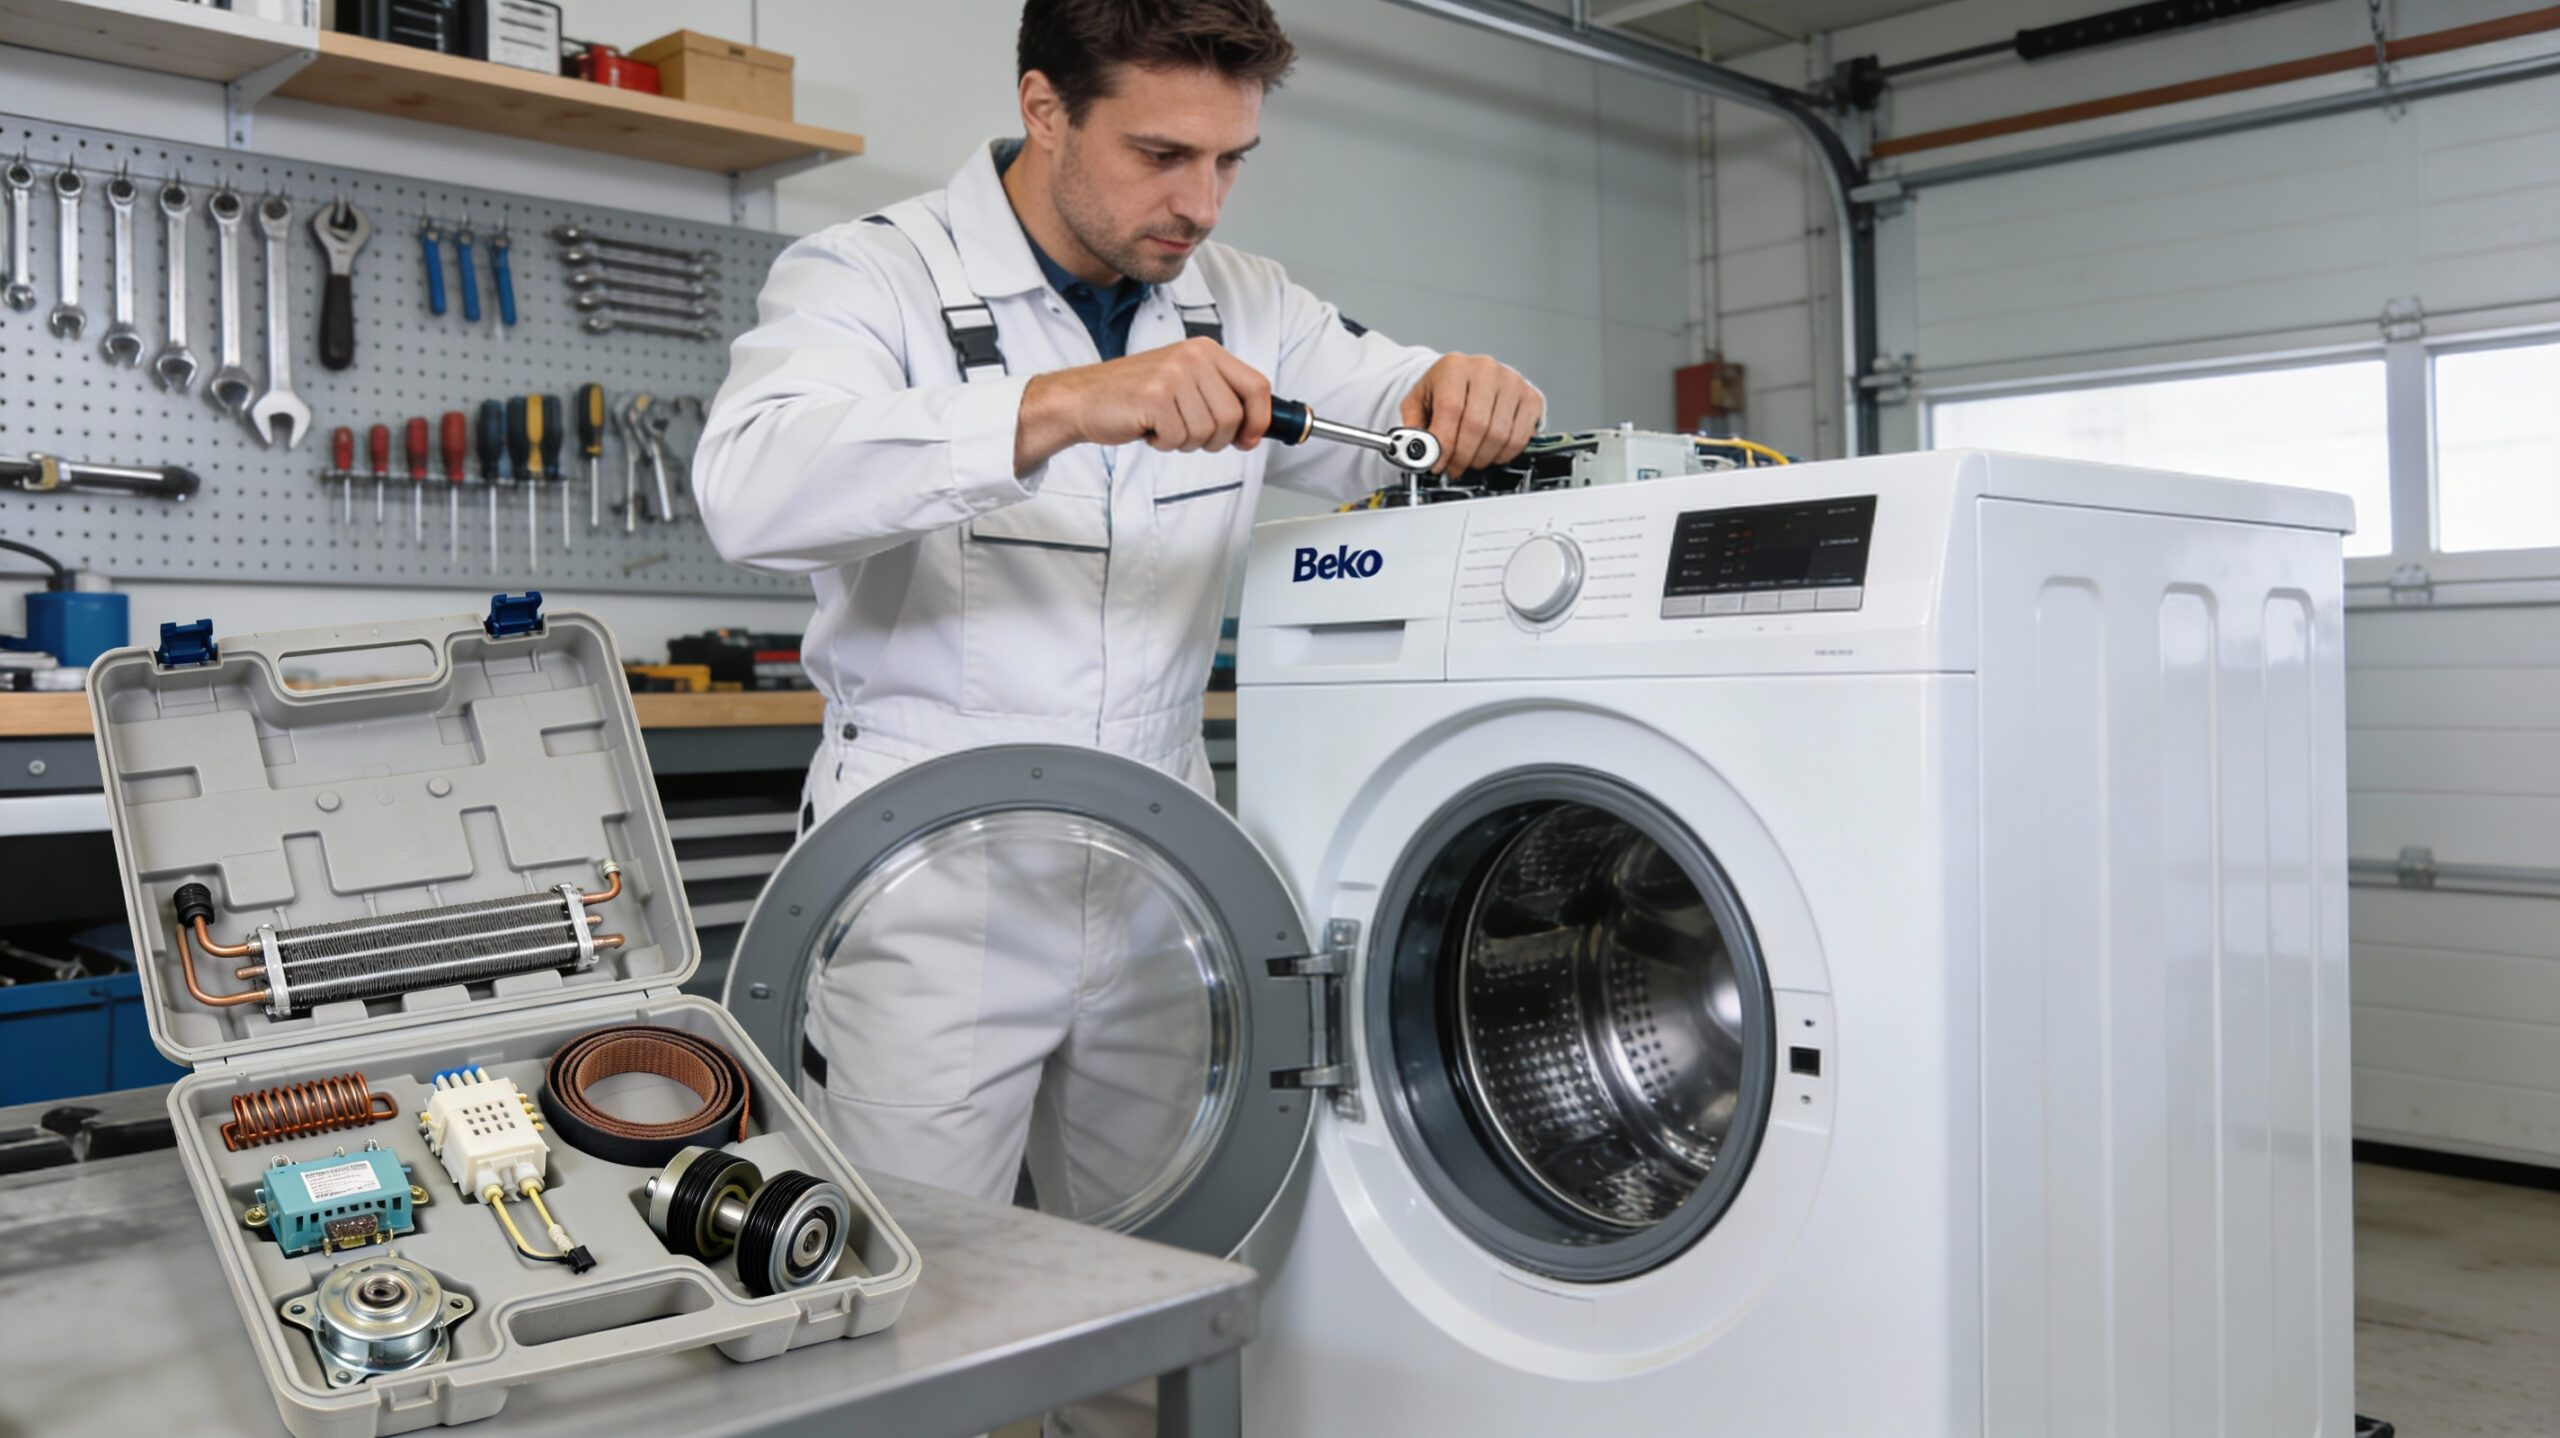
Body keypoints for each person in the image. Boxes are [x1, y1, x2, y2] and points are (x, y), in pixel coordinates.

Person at [694, 0, 1544, 1232]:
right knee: (909, 1290)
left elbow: (1399, 405)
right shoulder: (869, 272)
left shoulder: (1244, 301)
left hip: (1164, 890)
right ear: (1045, 110)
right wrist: (1061, 404)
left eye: (1228, 161)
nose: (1200, 205)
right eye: (1160, 155)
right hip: (931, 894)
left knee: (1157, 1278)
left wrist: (1463, 386)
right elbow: (751, 488)